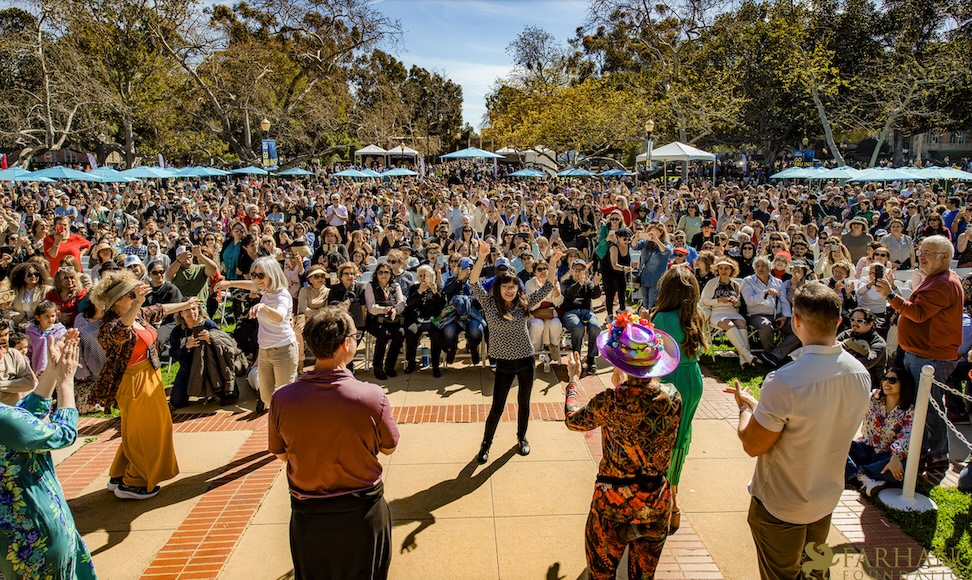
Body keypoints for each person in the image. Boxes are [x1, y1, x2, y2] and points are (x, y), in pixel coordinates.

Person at [726, 283, 870, 580]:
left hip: (782, 504)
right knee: (815, 573)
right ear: (839, 321)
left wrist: (744, 409)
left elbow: (753, 444)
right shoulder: (859, 373)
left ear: (796, 321)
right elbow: (814, 417)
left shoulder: (785, 380)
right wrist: (760, 404)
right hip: (825, 497)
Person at [270, 307, 398, 578]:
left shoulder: (282, 398)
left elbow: (281, 454)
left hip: (309, 515)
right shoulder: (372, 396)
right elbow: (388, 447)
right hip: (362, 513)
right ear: (345, 344)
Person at [563, 315, 682, 579]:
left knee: (601, 575)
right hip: (656, 503)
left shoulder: (610, 402)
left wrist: (573, 381)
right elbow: (642, 406)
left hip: (613, 507)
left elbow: (573, 420)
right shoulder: (673, 397)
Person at [90, 270, 199, 499]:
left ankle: (120, 474)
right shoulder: (109, 327)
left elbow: (159, 309)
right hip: (133, 382)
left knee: (137, 431)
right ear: (119, 301)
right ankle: (135, 483)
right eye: (131, 295)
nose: (136, 298)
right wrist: (137, 303)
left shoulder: (137, 314)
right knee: (149, 432)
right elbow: (122, 332)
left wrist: (185, 304)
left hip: (150, 377)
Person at [0, 330, 98, 580]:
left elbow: (22, 420)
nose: (4, 352)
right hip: (33, 537)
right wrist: (66, 383)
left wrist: (52, 375)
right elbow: (63, 433)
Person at [875, 235, 964, 471]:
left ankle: (937, 456)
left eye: (928, 253)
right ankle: (921, 449)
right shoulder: (936, 278)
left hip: (930, 357)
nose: (921, 257)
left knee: (930, 408)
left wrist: (891, 296)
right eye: (921, 251)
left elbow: (918, 313)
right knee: (919, 405)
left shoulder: (943, 283)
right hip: (920, 352)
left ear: (945, 257)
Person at [470, 239, 562, 463]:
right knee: (497, 407)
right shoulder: (490, 304)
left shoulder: (523, 303)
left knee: (524, 402)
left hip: (525, 360)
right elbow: (473, 283)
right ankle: (485, 445)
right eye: (505, 286)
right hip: (502, 363)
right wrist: (482, 257)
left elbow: (548, 287)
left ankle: (522, 438)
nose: (510, 290)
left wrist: (551, 265)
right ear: (498, 288)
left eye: (513, 286)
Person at [645, 267, 706, 535]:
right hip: (693, 377)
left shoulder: (663, 317)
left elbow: (650, 354)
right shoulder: (696, 315)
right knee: (682, 437)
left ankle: (666, 502)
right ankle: (674, 504)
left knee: (664, 439)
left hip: (670, 380)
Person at [215, 256, 299, 414]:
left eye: (261, 275)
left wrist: (263, 307)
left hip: (284, 350)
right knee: (267, 397)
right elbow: (251, 285)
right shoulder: (266, 290)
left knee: (285, 396)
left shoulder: (282, 295)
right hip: (265, 351)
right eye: (254, 274)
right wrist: (229, 283)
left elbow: (280, 316)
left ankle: (288, 429)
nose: (256, 279)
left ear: (272, 274)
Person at [846, 367, 916, 496]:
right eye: (885, 379)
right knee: (838, 446)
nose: (886, 383)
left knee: (904, 466)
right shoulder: (873, 399)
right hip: (865, 449)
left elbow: (907, 435)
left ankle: (856, 475)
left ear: (904, 384)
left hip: (887, 454)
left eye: (892, 380)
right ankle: (866, 477)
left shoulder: (909, 410)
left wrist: (895, 457)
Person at [701, 258, 754, 367]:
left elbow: (738, 304)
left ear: (731, 270)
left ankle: (743, 359)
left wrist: (735, 302)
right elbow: (705, 300)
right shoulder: (712, 283)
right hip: (717, 311)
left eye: (726, 268)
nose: (723, 271)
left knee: (742, 324)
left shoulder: (735, 284)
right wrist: (718, 300)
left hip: (732, 311)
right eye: (721, 268)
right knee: (729, 324)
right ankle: (746, 354)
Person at [363, 262, 406, 380]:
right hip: (375, 321)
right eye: (380, 272)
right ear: (376, 274)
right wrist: (383, 310)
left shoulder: (395, 286)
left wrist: (395, 310)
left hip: (392, 319)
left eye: (386, 272)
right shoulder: (370, 286)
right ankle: (377, 366)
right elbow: (371, 307)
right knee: (384, 334)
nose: (383, 275)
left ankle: (389, 365)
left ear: (391, 274)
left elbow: (401, 303)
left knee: (400, 333)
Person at [403, 265, 446, 377]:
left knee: (437, 335)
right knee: (411, 332)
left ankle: (435, 365)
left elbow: (442, 306)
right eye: (420, 275)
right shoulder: (414, 288)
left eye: (426, 275)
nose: (423, 278)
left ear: (431, 276)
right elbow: (410, 304)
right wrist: (419, 291)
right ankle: (411, 362)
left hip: (433, 318)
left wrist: (436, 293)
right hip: (417, 319)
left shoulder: (438, 288)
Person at [562, 259, 604, 373]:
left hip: (586, 310)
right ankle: (577, 355)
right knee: (577, 327)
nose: (579, 273)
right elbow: (568, 294)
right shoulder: (565, 282)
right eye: (577, 270)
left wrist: (596, 284)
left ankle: (591, 357)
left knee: (595, 326)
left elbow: (595, 295)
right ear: (571, 271)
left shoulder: (588, 283)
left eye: (582, 270)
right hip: (570, 311)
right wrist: (579, 283)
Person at [837, 308, 888, 389]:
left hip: (869, 385)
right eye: (852, 319)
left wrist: (850, 345)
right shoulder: (845, 335)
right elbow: (832, 351)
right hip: (844, 381)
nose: (854, 323)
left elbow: (867, 363)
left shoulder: (878, 342)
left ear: (870, 323)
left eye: (860, 321)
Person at [526, 258, 564, 368]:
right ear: (534, 272)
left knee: (555, 324)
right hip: (535, 314)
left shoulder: (554, 281)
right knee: (537, 325)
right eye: (539, 269)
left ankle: (553, 346)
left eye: (545, 268)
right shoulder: (529, 284)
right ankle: (535, 351)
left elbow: (558, 302)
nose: (543, 271)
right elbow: (532, 305)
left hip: (551, 314)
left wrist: (555, 289)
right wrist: (542, 290)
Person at [0, 322, 36, 406]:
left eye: (6, 334)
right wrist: (14, 385)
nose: (4, 339)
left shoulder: (14, 354)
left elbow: (29, 383)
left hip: (13, 413)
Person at [27, 300, 67, 376]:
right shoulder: (31, 333)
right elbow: (28, 351)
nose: (51, 319)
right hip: (37, 369)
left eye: (53, 316)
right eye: (46, 317)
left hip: (56, 368)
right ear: (38, 318)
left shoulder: (60, 331)